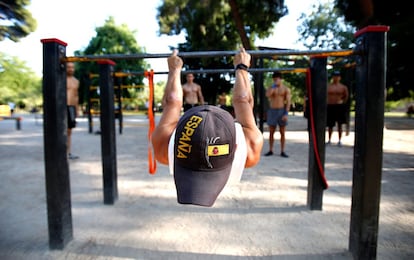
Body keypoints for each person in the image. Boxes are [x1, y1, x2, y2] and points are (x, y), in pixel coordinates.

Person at [151, 47, 263, 207]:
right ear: (236, 147)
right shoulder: (250, 151)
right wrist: (242, 68)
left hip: (193, 107)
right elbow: (243, 100)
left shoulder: (162, 149)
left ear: (176, 147)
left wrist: (174, 70)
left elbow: (172, 101)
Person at [264, 72, 291, 158]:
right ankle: (270, 150)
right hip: (272, 111)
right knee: (271, 132)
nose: (276, 81)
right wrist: (273, 87)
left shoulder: (285, 89)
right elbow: (267, 95)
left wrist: (286, 114)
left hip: (281, 111)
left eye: (277, 79)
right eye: (274, 79)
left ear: (281, 79)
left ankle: (282, 151)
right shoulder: (271, 88)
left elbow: (288, 102)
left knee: (282, 132)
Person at [326, 70, 349, 146]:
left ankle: (339, 140)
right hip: (330, 106)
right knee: (330, 124)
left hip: (339, 106)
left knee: (340, 124)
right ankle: (329, 139)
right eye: (334, 76)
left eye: (337, 76)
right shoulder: (329, 86)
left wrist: (342, 102)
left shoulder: (343, 87)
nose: (336, 78)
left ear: (340, 78)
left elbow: (346, 96)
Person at [66, 62, 80, 159]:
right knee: (59, 130)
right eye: (69, 67)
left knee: (69, 131)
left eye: (72, 67)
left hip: (71, 107)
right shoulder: (61, 79)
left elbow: (76, 96)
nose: (71, 69)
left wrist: (77, 110)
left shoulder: (76, 81)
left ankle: (68, 152)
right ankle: (59, 152)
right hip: (61, 107)